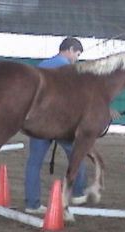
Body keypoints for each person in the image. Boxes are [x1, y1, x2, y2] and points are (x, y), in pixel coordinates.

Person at [24, 37, 88, 214]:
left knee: (34, 163)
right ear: (70, 49)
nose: (76, 58)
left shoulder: (42, 65)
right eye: (77, 54)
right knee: (77, 155)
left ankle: (32, 204)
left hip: (38, 122)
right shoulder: (70, 69)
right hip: (60, 123)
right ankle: (78, 193)